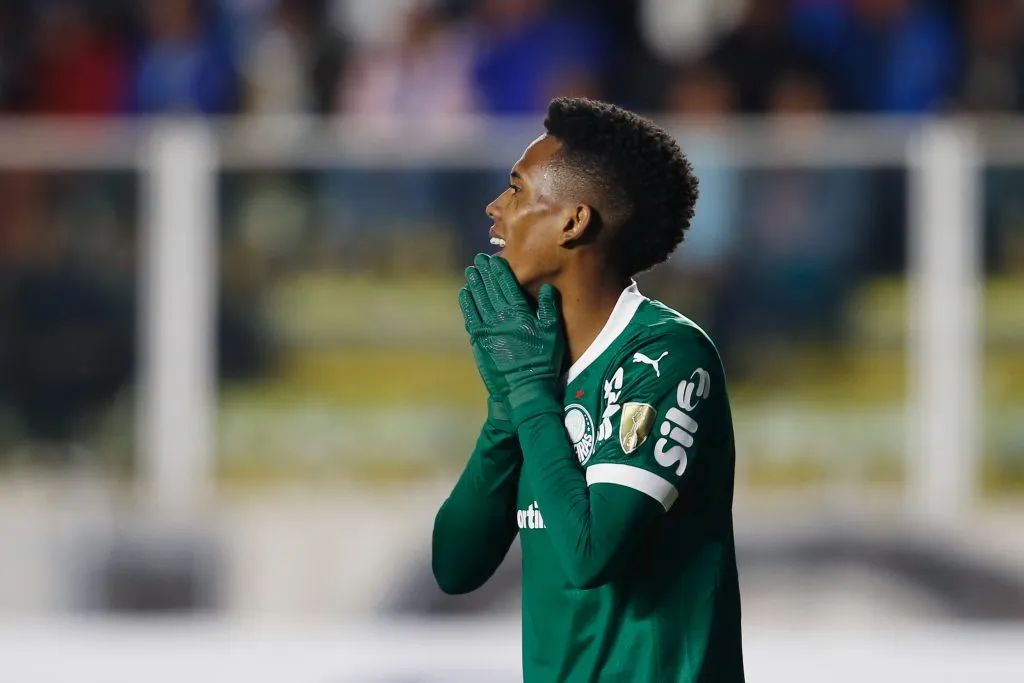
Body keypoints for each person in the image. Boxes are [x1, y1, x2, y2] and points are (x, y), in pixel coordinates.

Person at [431, 97, 744, 682]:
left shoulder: (666, 356)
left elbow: (590, 554)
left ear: (574, 221)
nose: (494, 209)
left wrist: (527, 395)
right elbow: (454, 567)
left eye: (517, 190)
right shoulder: (541, 370)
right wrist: (506, 412)